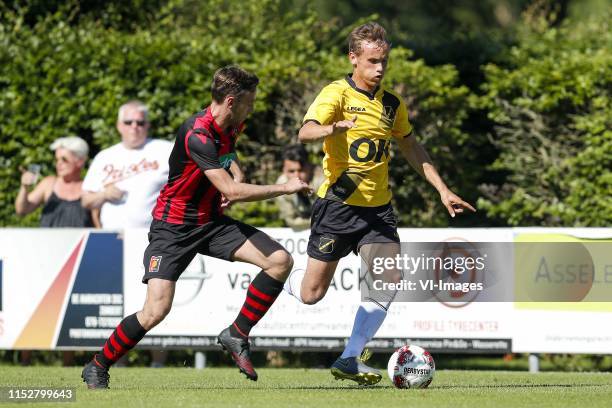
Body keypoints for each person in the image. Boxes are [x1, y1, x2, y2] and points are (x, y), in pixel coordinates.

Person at [81, 65, 311, 389]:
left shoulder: (233, 123)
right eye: (250, 101)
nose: (253, 107)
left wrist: (238, 172)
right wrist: (283, 187)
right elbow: (231, 191)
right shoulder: (197, 134)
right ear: (231, 101)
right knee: (155, 310)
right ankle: (97, 365)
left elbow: (228, 156)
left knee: (279, 261)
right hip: (172, 228)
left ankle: (237, 333)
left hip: (210, 223)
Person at [282, 22, 476, 385]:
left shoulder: (391, 104)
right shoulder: (336, 93)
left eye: (384, 61)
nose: (380, 68)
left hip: (378, 211)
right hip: (338, 207)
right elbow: (305, 131)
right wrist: (332, 128)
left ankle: (349, 357)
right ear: (353, 58)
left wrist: (442, 189)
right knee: (311, 294)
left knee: (387, 278)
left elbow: (411, 146)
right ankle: (283, 277)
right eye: (373, 61)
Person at [81, 100, 173, 368]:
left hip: (155, 239)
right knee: (118, 304)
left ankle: (158, 362)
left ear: (148, 125)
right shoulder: (106, 156)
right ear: (119, 125)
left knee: (157, 300)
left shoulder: (163, 150)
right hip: (115, 243)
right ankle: (116, 360)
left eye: (140, 122)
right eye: (129, 122)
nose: (135, 127)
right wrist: (104, 195)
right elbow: (86, 200)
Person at [15, 135, 94, 366]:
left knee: (70, 311)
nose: (58, 163)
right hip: (44, 256)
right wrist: (24, 186)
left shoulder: (88, 187)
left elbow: (98, 223)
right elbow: (22, 209)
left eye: (64, 159)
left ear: (79, 161)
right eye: (57, 159)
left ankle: (68, 363)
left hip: (76, 259)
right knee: (35, 308)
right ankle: (24, 360)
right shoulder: (49, 183)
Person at [275, 144, 319, 231]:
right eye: (291, 171)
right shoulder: (281, 185)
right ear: (284, 170)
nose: (297, 176)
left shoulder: (322, 180)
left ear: (310, 167)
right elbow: (291, 220)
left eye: (301, 170)